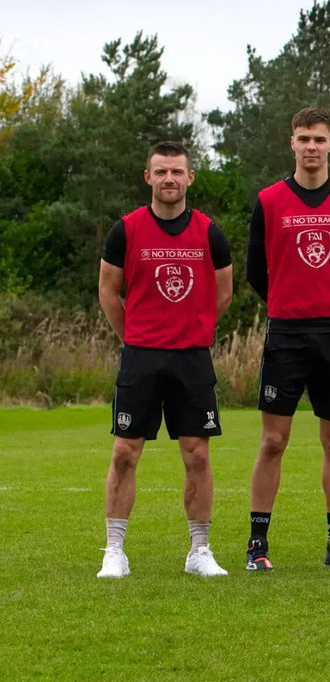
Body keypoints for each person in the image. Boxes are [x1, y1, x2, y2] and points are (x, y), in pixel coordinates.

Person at [245, 107, 330, 571]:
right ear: (292, 143)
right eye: (303, 138)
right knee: (273, 441)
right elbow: (256, 271)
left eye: (319, 139)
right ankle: (257, 546)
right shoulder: (269, 200)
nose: (311, 147)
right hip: (287, 333)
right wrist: (289, 301)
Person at [96, 141, 234, 578]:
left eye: (177, 171)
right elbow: (108, 291)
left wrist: (191, 330)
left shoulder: (210, 232)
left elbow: (223, 293)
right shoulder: (126, 229)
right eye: (161, 172)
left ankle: (199, 551)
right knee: (124, 453)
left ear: (190, 177)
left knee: (196, 455)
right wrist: (135, 337)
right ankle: (114, 550)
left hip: (191, 359)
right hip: (141, 358)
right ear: (148, 178)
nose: (169, 179)